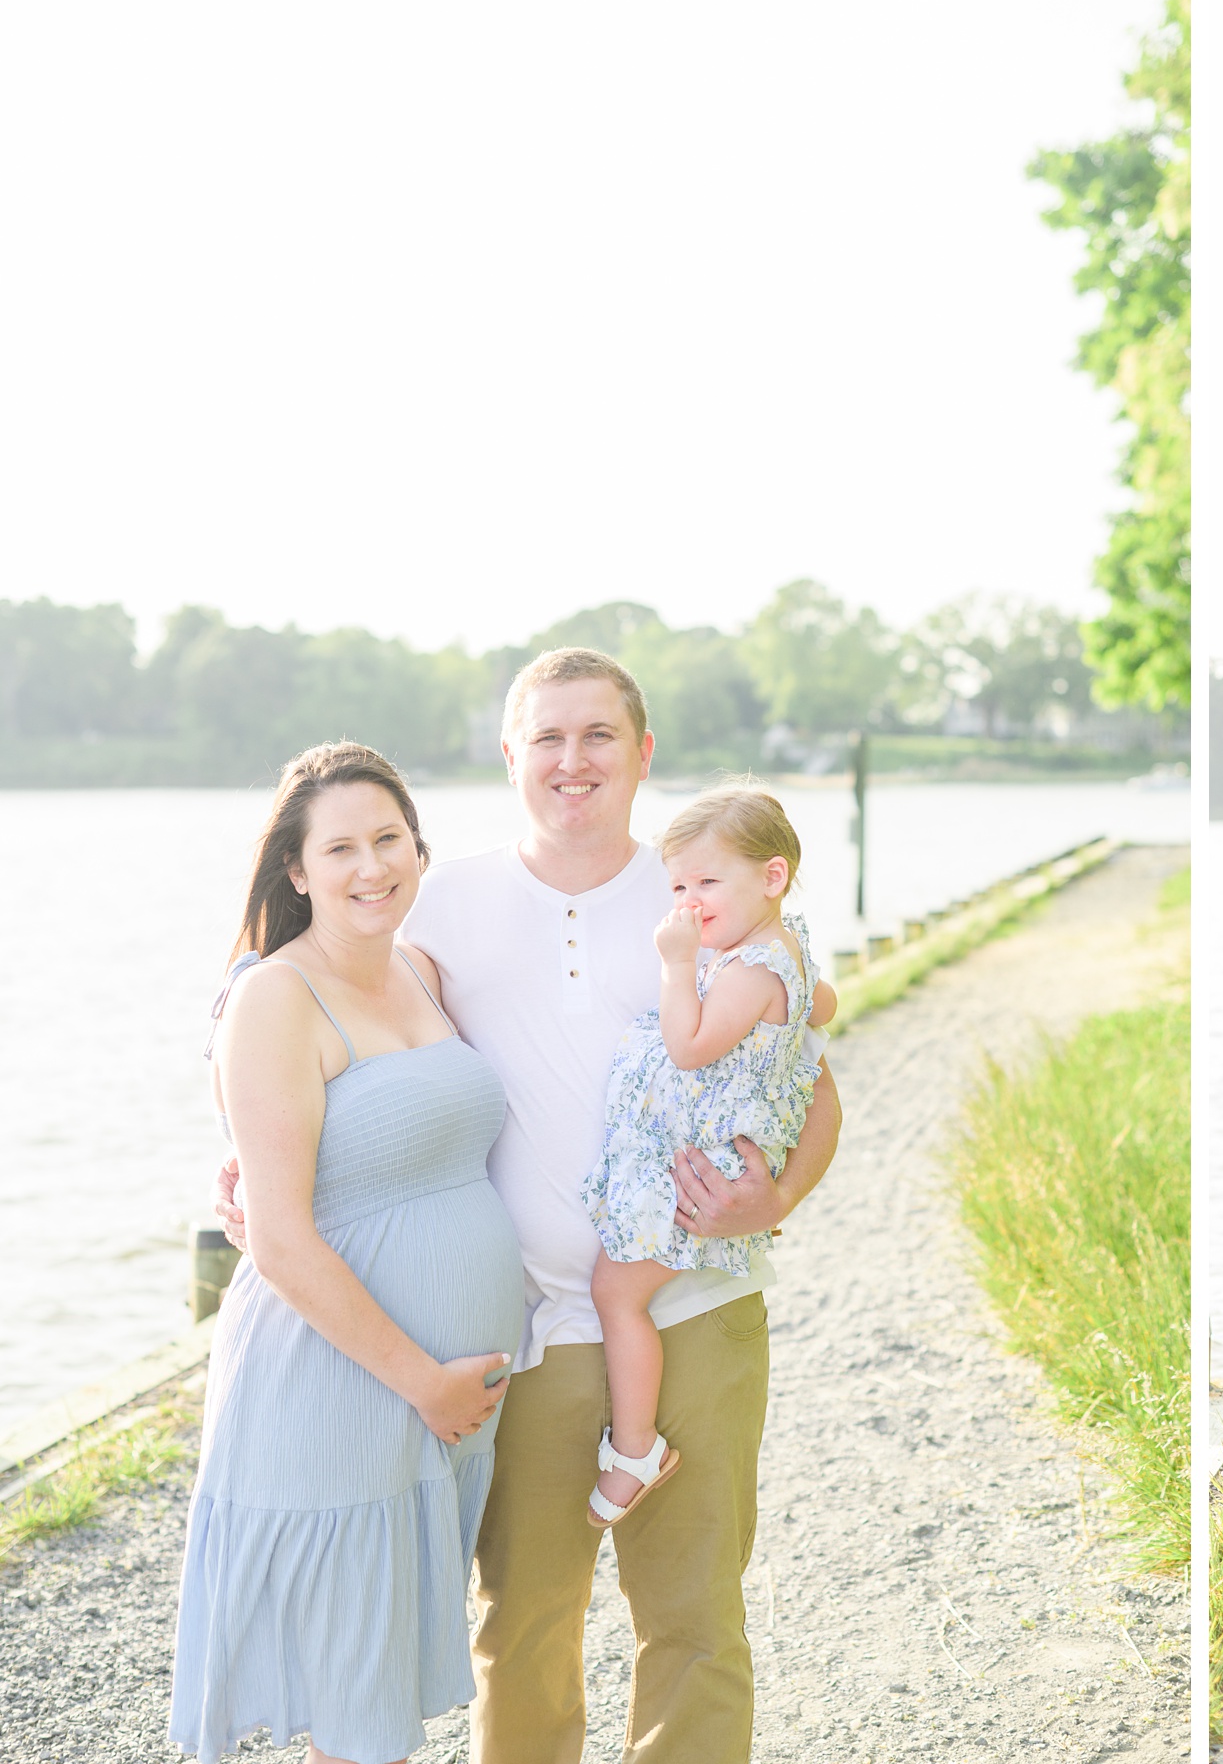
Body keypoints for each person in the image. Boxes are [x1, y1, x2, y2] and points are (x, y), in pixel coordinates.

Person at [216, 649, 843, 1762]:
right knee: (525, 1626)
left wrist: (775, 1196)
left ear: (643, 752)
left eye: (598, 734)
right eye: (546, 736)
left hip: (697, 1306)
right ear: (509, 755)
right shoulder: (440, 901)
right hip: (524, 1330)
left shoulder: (703, 893)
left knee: (696, 1622)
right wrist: (247, 1171)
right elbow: (341, 1036)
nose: (572, 759)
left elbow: (817, 1078)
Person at [174, 743, 522, 1764]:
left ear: (419, 849)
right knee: (356, 1714)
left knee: (378, 1703)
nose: (371, 866)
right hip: (344, 1385)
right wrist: (425, 1382)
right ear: (297, 869)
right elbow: (279, 1237)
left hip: (438, 1404)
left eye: (388, 839)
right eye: (341, 847)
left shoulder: (418, 969)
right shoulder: (279, 996)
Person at [581, 785, 835, 1525]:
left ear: (772, 877)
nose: (688, 903)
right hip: (705, 1151)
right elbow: (824, 1007)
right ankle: (634, 1441)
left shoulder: (749, 968)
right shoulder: (781, 947)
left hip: (702, 1169)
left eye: (707, 883)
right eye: (678, 887)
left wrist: (677, 963)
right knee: (622, 1292)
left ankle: (635, 1447)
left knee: (616, 1294)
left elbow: (690, 1048)